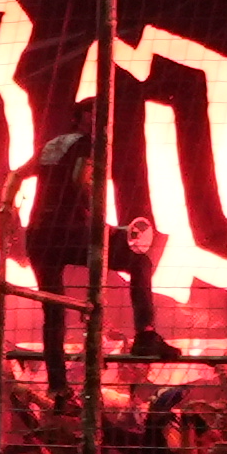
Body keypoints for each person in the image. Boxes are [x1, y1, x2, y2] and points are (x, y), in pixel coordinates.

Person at [15, 124, 168, 408]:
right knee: (138, 259)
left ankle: (58, 387)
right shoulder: (87, 143)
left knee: (53, 313)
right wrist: (101, 226)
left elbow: (16, 175)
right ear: (89, 118)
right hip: (69, 233)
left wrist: (6, 208)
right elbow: (80, 180)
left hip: (39, 235)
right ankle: (146, 335)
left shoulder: (54, 143)